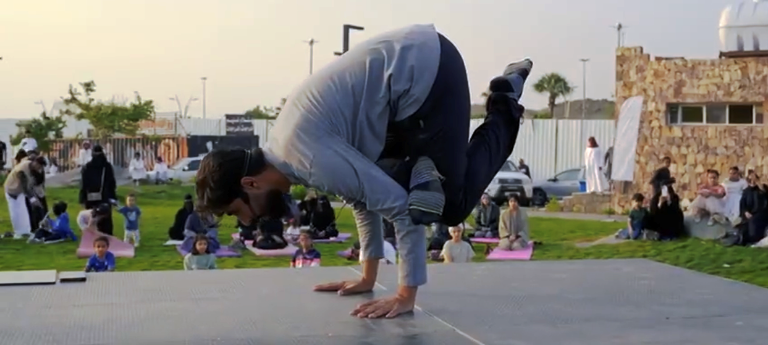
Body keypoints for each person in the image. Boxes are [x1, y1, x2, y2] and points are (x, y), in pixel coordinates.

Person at [195, 24, 530, 319]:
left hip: (429, 72)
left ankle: (504, 103)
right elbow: (359, 197)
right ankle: (416, 169)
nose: (249, 221)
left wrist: (405, 295)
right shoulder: (287, 148)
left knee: (448, 205)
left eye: (238, 212)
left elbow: (397, 208)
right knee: (394, 183)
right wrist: (367, 277)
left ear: (249, 183)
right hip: (404, 86)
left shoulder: (306, 157)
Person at [3, 155, 46, 238]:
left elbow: (30, 185)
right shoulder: (22, 170)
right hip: (12, 190)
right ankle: (18, 233)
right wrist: (33, 200)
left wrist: (35, 198)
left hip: (20, 191)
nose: (39, 169)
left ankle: (26, 231)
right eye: (39, 166)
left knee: (23, 212)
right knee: (16, 212)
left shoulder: (31, 167)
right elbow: (25, 187)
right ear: (35, 163)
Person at [79, 145, 117, 235]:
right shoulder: (107, 167)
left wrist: (82, 198)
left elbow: (83, 184)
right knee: (105, 220)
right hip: (105, 196)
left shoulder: (87, 167)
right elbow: (112, 183)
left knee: (92, 219)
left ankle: (92, 238)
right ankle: (106, 238)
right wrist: (113, 197)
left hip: (90, 198)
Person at [735, 171, 768, 245]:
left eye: (754, 180)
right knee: (745, 227)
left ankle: (754, 239)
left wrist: (757, 181)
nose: (752, 182)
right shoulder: (746, 191)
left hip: (761, 214)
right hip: (749, 214)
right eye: (750, 180)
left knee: (754, 224)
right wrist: (745, 211)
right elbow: (743, 204)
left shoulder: (762, 188)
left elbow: (764, 193)